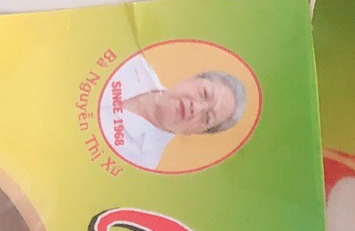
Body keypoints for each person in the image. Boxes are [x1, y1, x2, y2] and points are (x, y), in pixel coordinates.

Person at [100, 53, 248, 168]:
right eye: (204, 93)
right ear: (193, 78)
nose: (196, 108)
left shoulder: (142, 163)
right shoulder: (130, 61)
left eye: (207, 118)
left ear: (197, 132)